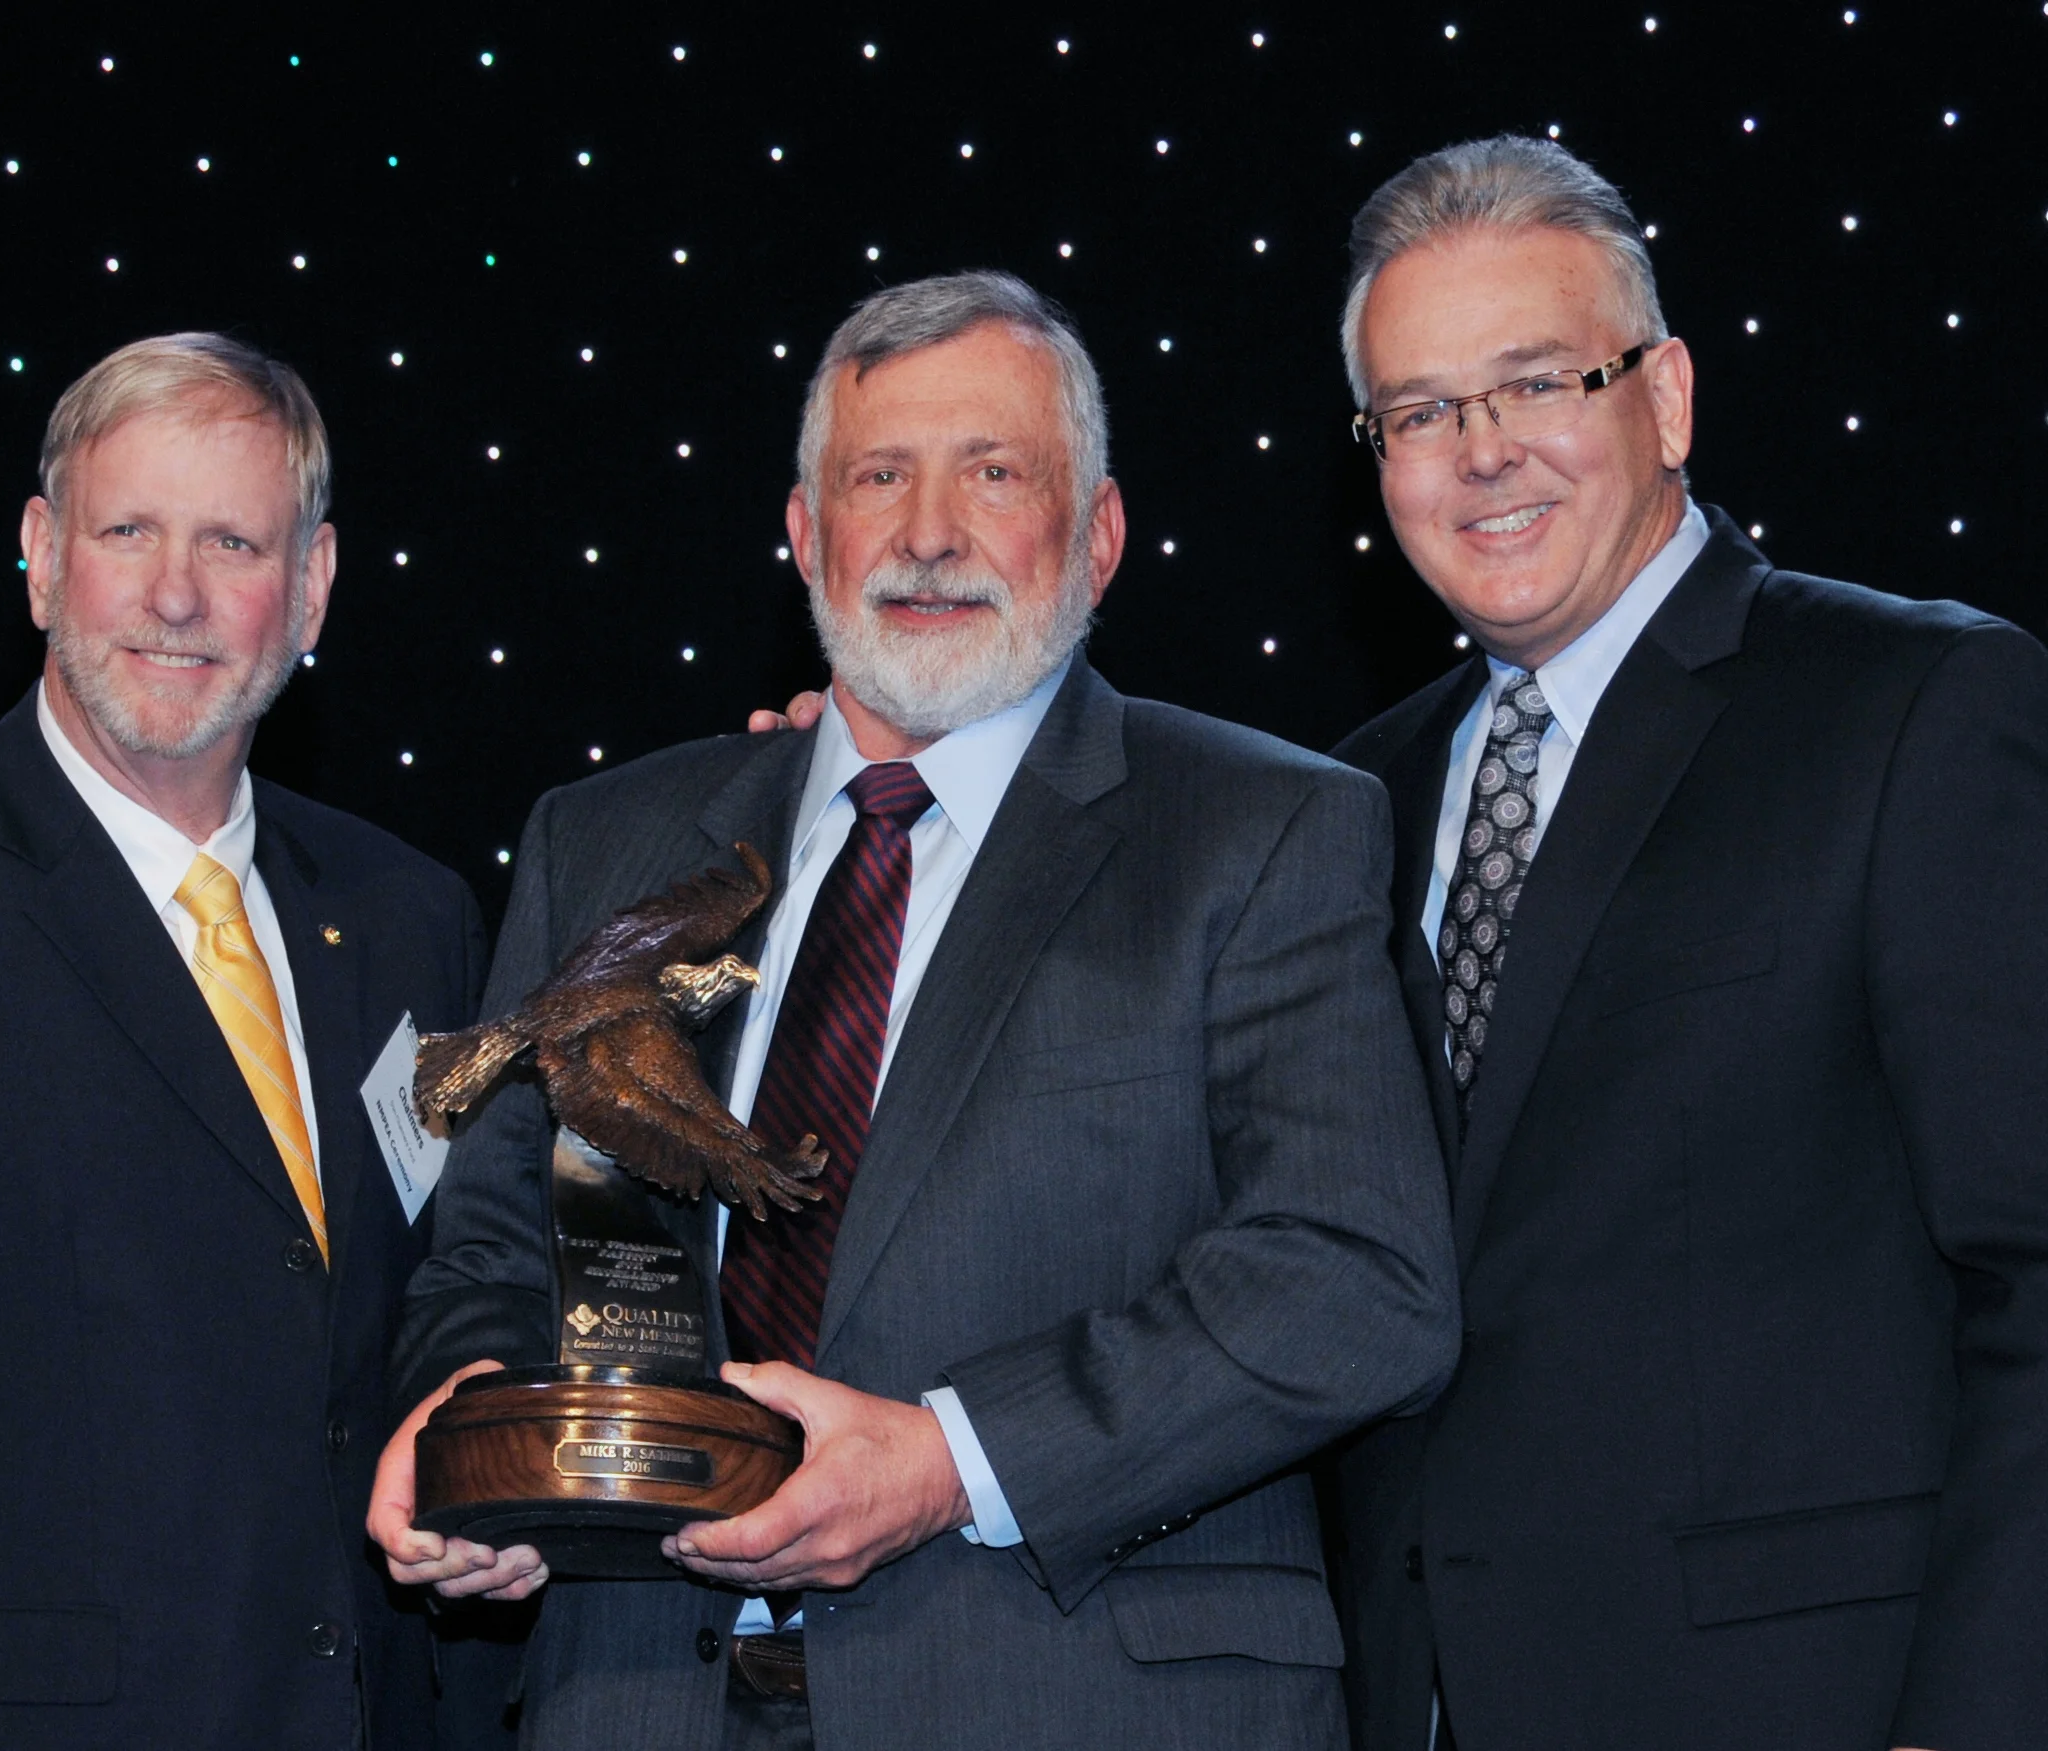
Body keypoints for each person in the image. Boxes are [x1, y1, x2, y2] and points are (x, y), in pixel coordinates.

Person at [370, 270, 1460, 1749]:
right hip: (637, 1697)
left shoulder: (1261, 829)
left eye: (993, 473)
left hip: (1080, 1703)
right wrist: (477, 1429)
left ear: (1100, 536)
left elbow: (1353, 1278)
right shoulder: (609, 844)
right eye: (879, 476)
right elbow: (491, 1248)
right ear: (806, 535)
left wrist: (952, 1459)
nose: (930, 532)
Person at [1324, 137, 2048, 1751]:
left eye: (1536, 380)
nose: (1478, 455)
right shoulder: (1348, 802)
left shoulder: (1914, 710)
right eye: (1417, 412)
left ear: (1662, 398)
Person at [0, 334, 489, 1750]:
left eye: (231, 540)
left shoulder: (411, 915)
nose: (176, 593)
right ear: (44, 557)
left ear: (309, 588)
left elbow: (443, 1306)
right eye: (128, 531)